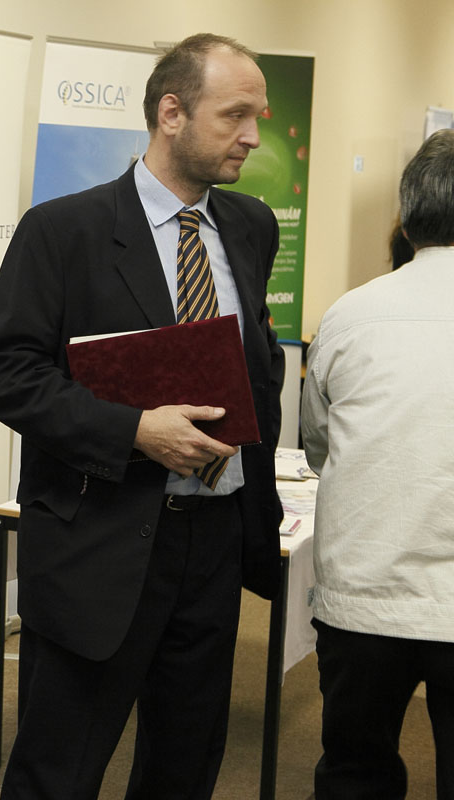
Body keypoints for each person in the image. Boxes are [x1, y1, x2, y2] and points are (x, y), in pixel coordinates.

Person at [0, 33, 285, 799]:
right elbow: (5, 373)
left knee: (186, 765)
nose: (253, 136)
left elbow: (256, 366)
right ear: (171, 113)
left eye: (259, 117)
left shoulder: (251, 226)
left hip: (215, 540)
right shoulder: (63, 231)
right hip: (102, 541)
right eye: (236, 115)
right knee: (60, 770)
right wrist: (134, 431)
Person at [300, 128, 454, 800]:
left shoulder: (349, 314)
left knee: (355, 774)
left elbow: (318, 444)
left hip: (362, 600)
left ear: (407, 217)